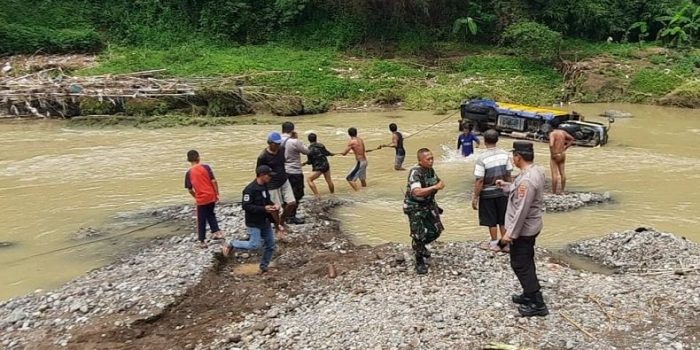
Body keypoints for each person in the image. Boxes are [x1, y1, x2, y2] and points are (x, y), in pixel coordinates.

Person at [496, 141, 548, 317]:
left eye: (514, 156)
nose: (513, 159)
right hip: (531, 226)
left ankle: (537, 303)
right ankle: (528, 294)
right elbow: (519, 193)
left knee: (520, 264)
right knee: (526, 260)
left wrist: (509, 235)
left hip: (524, 229)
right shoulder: (535, 171)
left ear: (518, 157)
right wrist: (505, 186)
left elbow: (521, 210)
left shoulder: (527, 179)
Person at [222, 165, 284, 273]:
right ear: (261, 175)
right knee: (254, 245)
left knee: (270, 245)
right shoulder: (249, 189)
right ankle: (231, 243)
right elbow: (246, 206)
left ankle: (264, 266)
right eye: (268, 175)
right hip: (254, 222)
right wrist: (263, 208)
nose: (270, 177)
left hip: (265, 220)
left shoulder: (265, 186)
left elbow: (267, 201)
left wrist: (274, 206)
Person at [403, 148, 445, 275]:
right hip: (415, 206)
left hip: (428, 204)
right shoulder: (415, 172)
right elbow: (416, 192)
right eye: (428, 159)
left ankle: (419, 246)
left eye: (432, 158)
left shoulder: (430, 171)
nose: (431, 161)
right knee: (418, 234)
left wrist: (438, 185)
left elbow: (437, 182)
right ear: (420, 161)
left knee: (436, 230)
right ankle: (419, 259)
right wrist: (435, 187)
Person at [472, 129, 513, 252]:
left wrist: (475, 196)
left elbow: (479, 180)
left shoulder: (481, 158)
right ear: (497, 140)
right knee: (503, 218)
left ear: (485, 141)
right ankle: (505, 244)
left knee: (491, 220)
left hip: (487, 194)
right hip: (502, 192)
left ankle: (495, 243)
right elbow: (508, 175)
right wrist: (509, 188)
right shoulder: (505, 155)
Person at [256, 131, 296, 231]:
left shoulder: (282, 149)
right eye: (276, 143)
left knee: (291, 203)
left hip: (284, 180)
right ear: (269, 143)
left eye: (279, 143)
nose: (278, 145)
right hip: (272, 184)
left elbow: (284, 162)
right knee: (275, 208)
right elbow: (259, 172)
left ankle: (282, 220)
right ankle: (277, 225)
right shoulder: (263, 156)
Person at [184, 150, 223, 248]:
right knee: (211, 213)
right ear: (198, 158)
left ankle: (202, 240)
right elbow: (213, 181)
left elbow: (189, 189)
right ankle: (217, 232)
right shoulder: (206, 167)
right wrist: (216, 193)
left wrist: (196, 197)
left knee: (201, 219)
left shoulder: (189, 173)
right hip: (211, 196)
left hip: (201, 199)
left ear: (188, 160)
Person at [280, 122, 309, 224]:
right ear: (292, 130)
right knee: (297, 194)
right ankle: (291, 216)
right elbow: (307, 151)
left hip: (282, 171)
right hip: (294, 171)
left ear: (282, 129)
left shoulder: (276, 140)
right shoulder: (294, 141)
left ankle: (284, 214)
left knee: (284, 194)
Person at [303, 133, 335, 198]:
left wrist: (304, 163)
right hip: (326, 165)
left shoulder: (309, 149)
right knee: (329, 180)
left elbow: (310, 161)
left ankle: (317, 195)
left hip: (318, 167)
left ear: (309, 140)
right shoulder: (321, 145)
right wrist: (331, 154)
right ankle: (333, 194)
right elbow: (327, 153)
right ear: (316, 138)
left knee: (309, 179)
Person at [548, 128, 575, 194]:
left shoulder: (552, 134)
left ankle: (554, 192)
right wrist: (565, 147)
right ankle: (562, 191)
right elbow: (572, 139)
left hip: (555, 154)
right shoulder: (563, 132)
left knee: (554, 174)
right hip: (562, 154)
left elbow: (551, 145)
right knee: (562, 173)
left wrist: (552, 154)